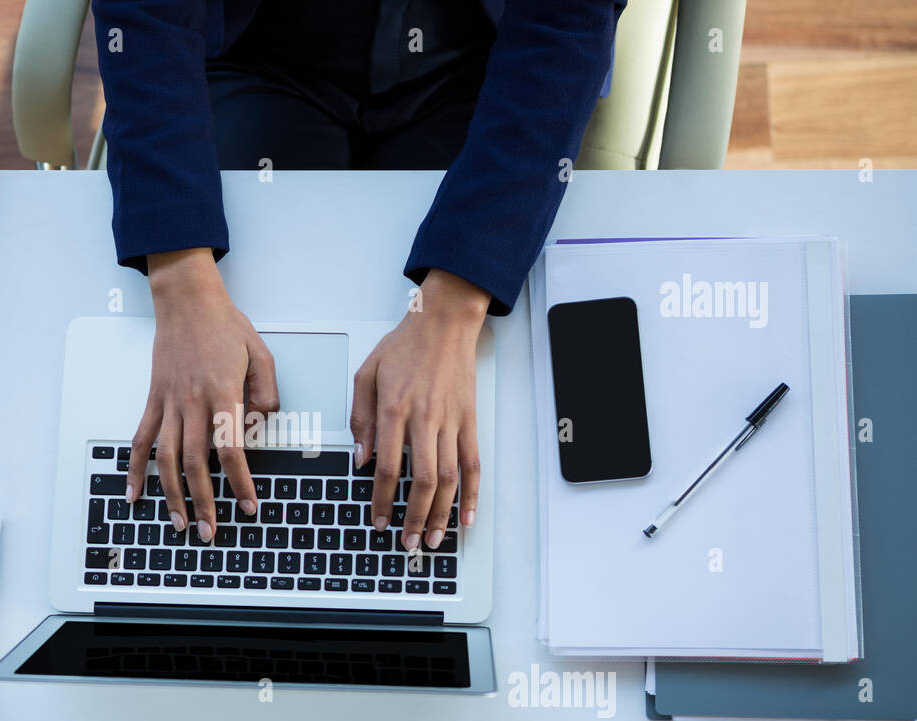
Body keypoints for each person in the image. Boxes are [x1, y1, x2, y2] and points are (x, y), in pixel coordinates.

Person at [92, 0, 624, 553]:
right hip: (261, 52)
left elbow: (566, 18)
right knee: (192, 422)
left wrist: (454, 306)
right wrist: (180, 279)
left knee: (481, 439)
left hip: (485, 61)